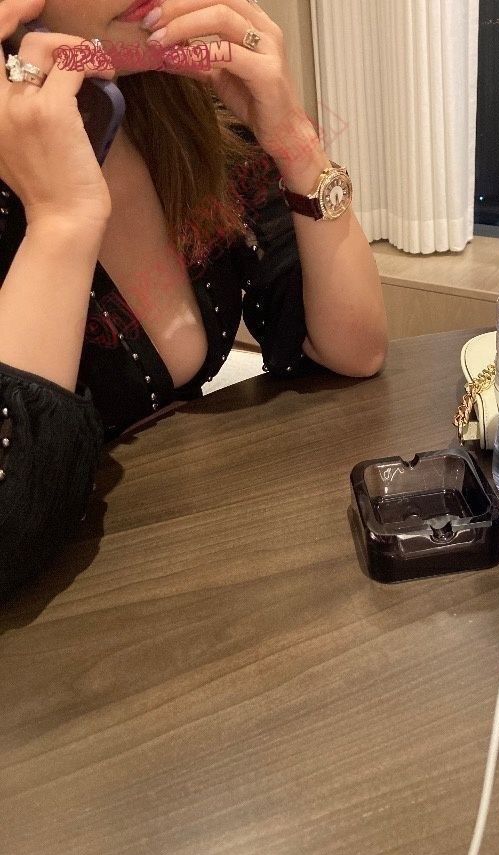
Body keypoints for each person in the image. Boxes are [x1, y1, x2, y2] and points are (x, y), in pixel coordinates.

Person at [0, 0, 388, 595]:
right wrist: (59, 221)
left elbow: (354, 350)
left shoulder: (182, 109)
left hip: (196, 572)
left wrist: (295, 142)